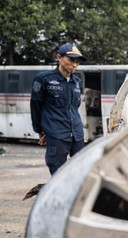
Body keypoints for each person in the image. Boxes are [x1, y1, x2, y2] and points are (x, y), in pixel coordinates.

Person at [30, 43, 87, 175]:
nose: (75, 65)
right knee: (58, 173)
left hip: (77, 134)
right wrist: (39, 130)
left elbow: (74, 108)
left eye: (77, 62)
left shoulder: (77, 82)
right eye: (71, 60)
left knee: (82, 171)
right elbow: (35, 106)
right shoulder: (43, 79)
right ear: (59, 57)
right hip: (56, 134)